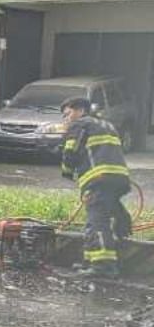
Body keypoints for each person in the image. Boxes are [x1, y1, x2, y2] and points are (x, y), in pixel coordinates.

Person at [59, 97, 131, 277]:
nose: (66, 119)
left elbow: (70, 152)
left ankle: (103, 266)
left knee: (96, 221)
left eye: (67, 114)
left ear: (80, 110)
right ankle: (91, 260)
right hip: (118, 178)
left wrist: (67, 171)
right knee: (106, 213)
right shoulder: (107, 125)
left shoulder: (80, 124)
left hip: (97, 179)